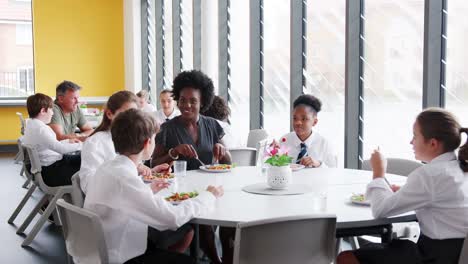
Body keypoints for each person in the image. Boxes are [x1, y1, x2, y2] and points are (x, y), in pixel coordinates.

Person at [84, 109, 224, 264]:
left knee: (181, 231)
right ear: (147, 143)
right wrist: (208, 196)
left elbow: (122, 198)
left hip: (100, 247)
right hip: (120, 255)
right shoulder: (125, 179)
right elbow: (172, 218)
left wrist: (149, 189)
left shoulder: (107, 168)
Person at [337, 108, 468, 264]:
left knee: (346, 257)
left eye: (415, 136)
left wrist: (379, 172)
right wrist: (405, 192)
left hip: (434, 256)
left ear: (433, 143)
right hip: (457, 253)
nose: (411, 142)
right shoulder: (460, 168)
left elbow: (381, 210)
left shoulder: (429, 175)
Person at [151, 70, 232, 264]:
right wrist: (174, 152)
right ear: (177, 101)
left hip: (210, 186)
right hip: (180, 190)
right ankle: (216, 260)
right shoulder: (167, 128)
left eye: (193, 101)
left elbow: (228, 162)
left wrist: (222, 150)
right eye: (183, 100)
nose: (187, 105)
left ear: (202, 102)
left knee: (230, 221)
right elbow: (154, 163)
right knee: (202, 219)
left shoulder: (212, 125)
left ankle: (228, 258)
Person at [22, 93, 82, 186]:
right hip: (51, 172)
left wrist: (68, 141)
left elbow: (50, 144)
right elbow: (61, 149)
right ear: (43, 111)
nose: (52, 113)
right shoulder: (41, 129)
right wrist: (82, 145)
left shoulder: (31, 124)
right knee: (87, 165)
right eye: (51, 109)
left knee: (82, 157)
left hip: (48, 167)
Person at [276, 94, 337, 168]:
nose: (298, 123)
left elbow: (333, 172)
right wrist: (274, 154)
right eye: (295, 118)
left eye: (304, 119)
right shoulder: (284, 140)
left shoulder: (324, 144)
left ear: (314, 122)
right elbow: (277, 169)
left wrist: (319, 164)